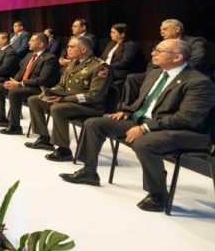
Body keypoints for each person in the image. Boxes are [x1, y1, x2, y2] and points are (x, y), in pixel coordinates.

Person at [60, 39, 215, 212]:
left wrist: (145, 128)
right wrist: (127, 111)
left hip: (185, 131)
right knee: (94, 123)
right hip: (145, 121)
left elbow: (187, 119)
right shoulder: (156, 73)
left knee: (145, 143)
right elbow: (145, 102)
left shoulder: (198, 82)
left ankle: (158, 194)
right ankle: (89, 172)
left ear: (177, 57)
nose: (153, 53)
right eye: (154, 49)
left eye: (159, 51)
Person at [26, 36, 113, 162]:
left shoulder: (100, 66)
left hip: (90, 106)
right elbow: (62, 86)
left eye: (72, 46)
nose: (68, 49)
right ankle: (44, 139)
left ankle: (64, 150)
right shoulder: (72, 63)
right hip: (69, 102)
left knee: (58, 108)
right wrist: (49, 93)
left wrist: (65, 99)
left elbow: (94, 95)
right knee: (34, 100)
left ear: (83, 49)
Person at [121, 19, 209, 108]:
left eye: (165, 29)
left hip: (183, 74)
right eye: (160, 30)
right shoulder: (162, 44)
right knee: (133, 78)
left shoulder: (195, 41)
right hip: (159, 73)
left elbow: (197, 59)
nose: (161, 32)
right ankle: (130, 109)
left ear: (177, 29)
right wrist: (154, 75)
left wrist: (173, 70)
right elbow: (152, 64)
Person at [0, 33, 60, 134]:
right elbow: (21, 72)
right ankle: (1, 118)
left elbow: (43, 80)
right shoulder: (29, 55)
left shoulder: (50, 58)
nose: (28, 42)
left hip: (38, 88)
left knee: (14, 93)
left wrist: (20, 84)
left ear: (41, 44)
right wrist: (13, 81)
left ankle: (15, 127)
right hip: (24, 86)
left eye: (32, 40)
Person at [100, 23, 144, 87]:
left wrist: (108, 67)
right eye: (111, 32)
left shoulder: (130, 45)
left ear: (122, 34)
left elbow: (125, 62)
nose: (111, 34)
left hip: (120, 71)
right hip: (108, 69)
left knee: (101, 75)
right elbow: (102, 57)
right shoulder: (110, 44)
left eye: (114, 32)